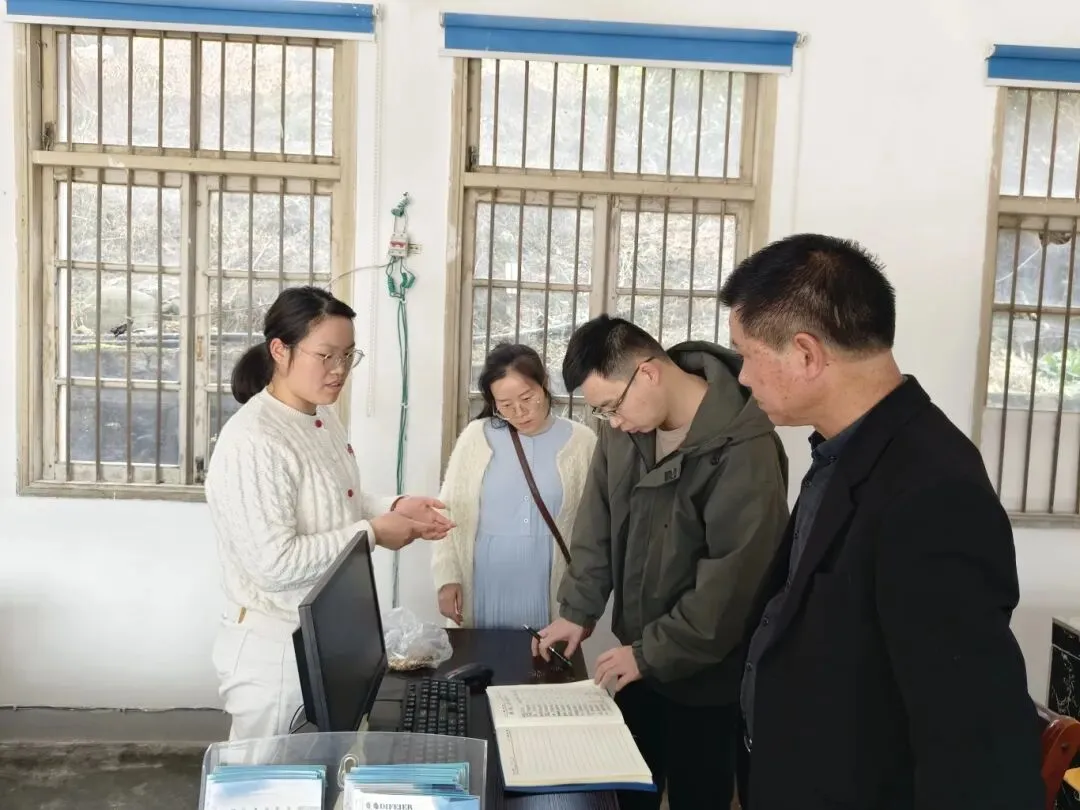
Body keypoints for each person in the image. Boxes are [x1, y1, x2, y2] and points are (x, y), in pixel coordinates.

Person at [718, 234, 1043, 810]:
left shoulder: (930, 488)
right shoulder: (843, 453)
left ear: (806, 354)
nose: (743, 376)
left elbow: (974, 738)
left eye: (747, 354)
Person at [531, 316, 790, 810]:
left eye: (612, 406)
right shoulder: (626, 433)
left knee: (698, 794)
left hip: (706, 675)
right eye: (601, 412)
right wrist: (578, 610)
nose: (612, 421)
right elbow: (597, 521)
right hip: (638, 660)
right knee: (629, 791)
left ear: (647, 373)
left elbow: (732, 587)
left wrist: (648, 654)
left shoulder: (743, 448)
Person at [205, 286, 453, 741]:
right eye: (326, 355)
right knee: (266, 776)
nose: (339, 369)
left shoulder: (320, 418)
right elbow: (274, 564)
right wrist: (373, 533)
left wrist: (395, 506)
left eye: (348, 355)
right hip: (276, 648)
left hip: (325, 638)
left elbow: (339, 503)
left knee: (323, 766)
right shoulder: (254, 441)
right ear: (280, 350)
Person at [431, 343, 597, 629]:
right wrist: (447, 577)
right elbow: (446, 509)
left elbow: (594, 527)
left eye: (527, 398)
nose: (520, 412)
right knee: (478, 656)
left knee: (544, 656)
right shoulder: (476, 437)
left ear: (544, 384)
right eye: (506, 405)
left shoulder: (581, 441)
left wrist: (583, 603)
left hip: (550, 587)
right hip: (482, 584)